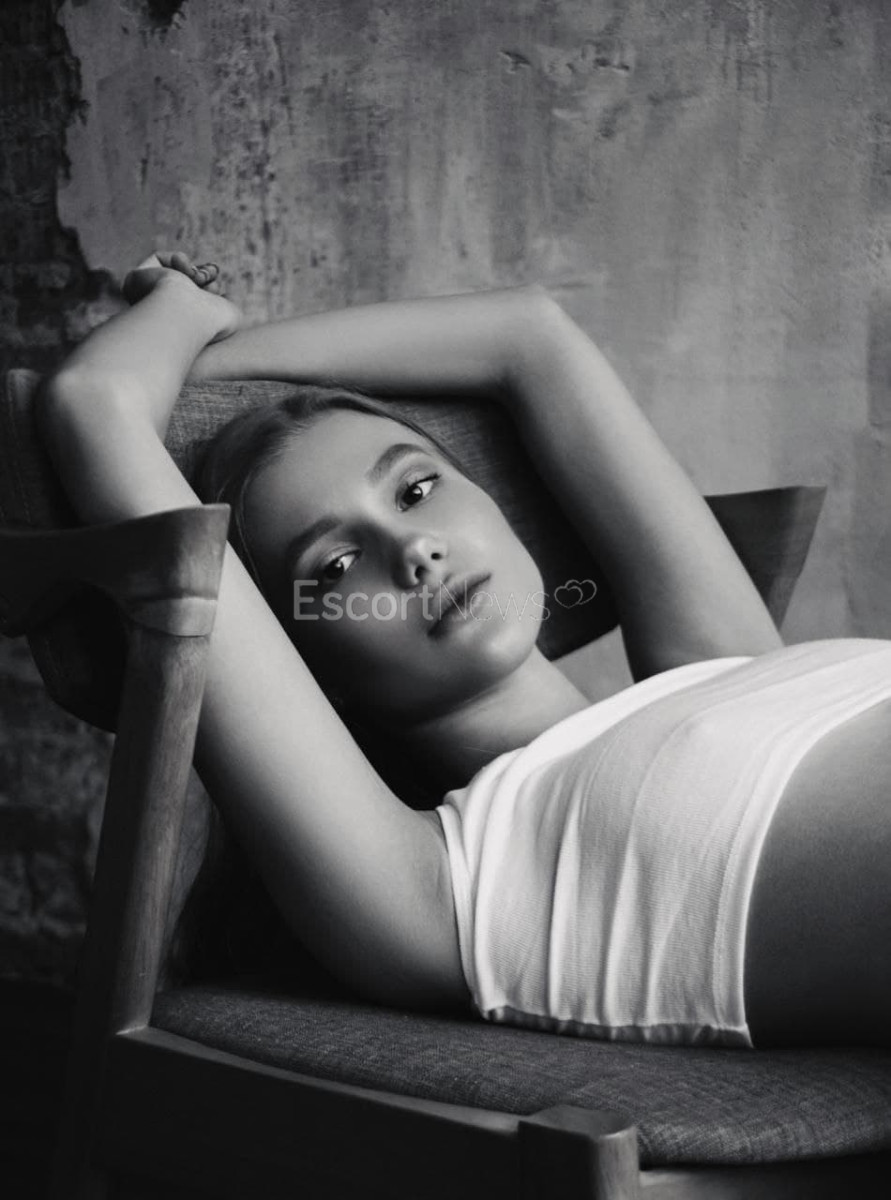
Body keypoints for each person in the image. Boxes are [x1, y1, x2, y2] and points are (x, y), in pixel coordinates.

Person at [40, 252, 891, 1051]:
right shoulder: (443, 890)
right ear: (298, 664)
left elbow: (528, 334)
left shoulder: (719, 663)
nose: (413, 551)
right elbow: (94, 403)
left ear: (493, 503)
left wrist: (217, 361)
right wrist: (183, 309)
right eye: (334, 566)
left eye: (416, 488)